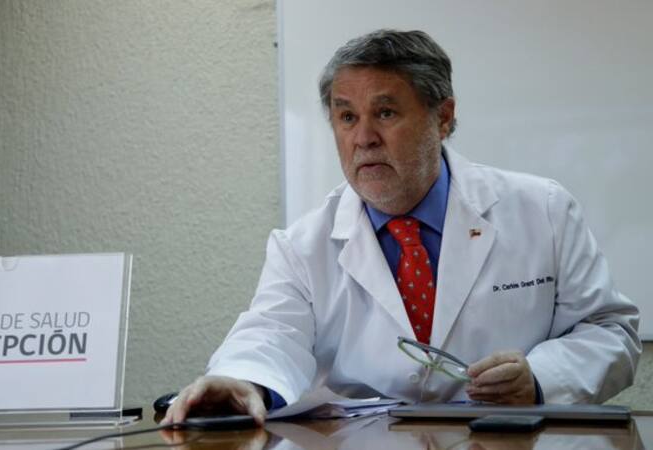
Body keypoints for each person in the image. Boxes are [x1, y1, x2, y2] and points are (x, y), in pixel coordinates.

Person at [162, 29, 641, 426]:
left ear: (443, 118)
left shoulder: (543, 210)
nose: (363, 138)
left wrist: (539, 377)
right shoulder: (302, 246)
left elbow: (610, 332)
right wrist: (243, 379)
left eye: (385, 113)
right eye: (346, 117)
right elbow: (270, 334)